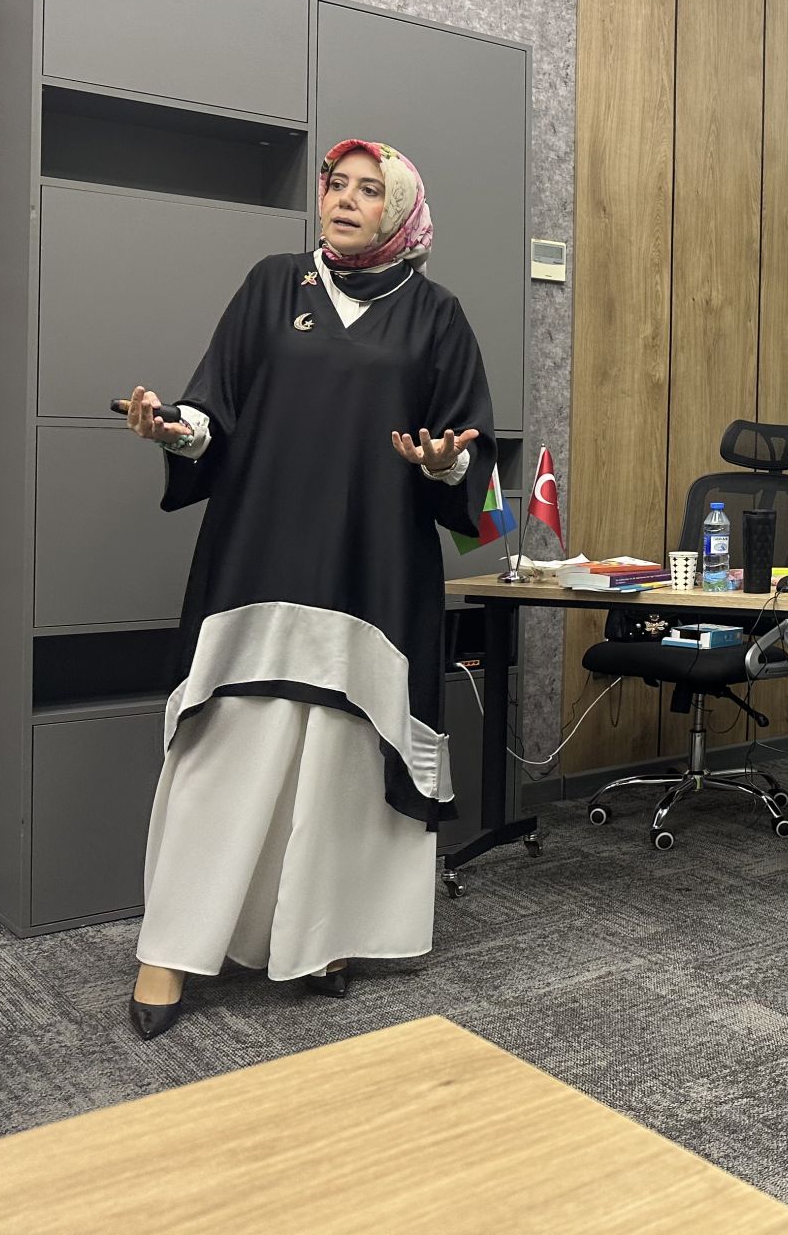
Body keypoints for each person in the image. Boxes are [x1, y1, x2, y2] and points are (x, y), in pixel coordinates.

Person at [122, 139, 495, 1040]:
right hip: (260, 555)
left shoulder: (437, 315)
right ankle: (169, 949)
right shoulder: (271, 284)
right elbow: (212, 410)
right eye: (336, 184)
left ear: (400, 213)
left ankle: (322, 936)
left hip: (374, 567)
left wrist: (447, 463)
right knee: (227, 744)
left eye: (370, 190)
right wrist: (175, 430)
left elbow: (475, 477)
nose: (345, 199)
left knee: (341, 753)